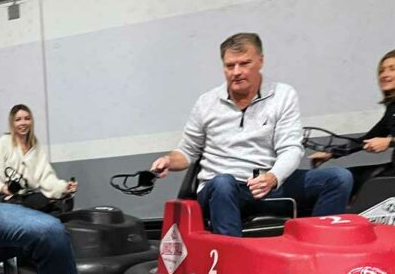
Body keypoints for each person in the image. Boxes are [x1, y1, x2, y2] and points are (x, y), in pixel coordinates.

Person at [150, 33, 353, 236]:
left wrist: (273, 177)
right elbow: (186, 152)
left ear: (260, 61)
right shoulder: (206, 102)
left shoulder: (282, 95)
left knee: (338, 178)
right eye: (230, 66)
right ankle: (231, 260)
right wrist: (168, 160)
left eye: (244, 63)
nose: (236, 72)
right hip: (221, 188)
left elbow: (291, 148)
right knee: (223, 182)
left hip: (266, 183)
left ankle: (316, 245)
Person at [309, 47, 395, 194]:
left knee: (354, 181)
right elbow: (367, 139)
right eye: (382, 70)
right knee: (347, 177)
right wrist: (331, 153)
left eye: (392, 69)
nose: (384, 74)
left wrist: (390, 142)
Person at [0, 104, 77, 213]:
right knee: (40, 202)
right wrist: (5, 189)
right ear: (12, 123)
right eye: (18, 120)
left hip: (27, 195)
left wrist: (64, 187)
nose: (23, 123)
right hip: (6, 197)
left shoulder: (35, 146)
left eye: (27, 119)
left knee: (63, 202)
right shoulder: (2, 144)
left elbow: (46, 177)